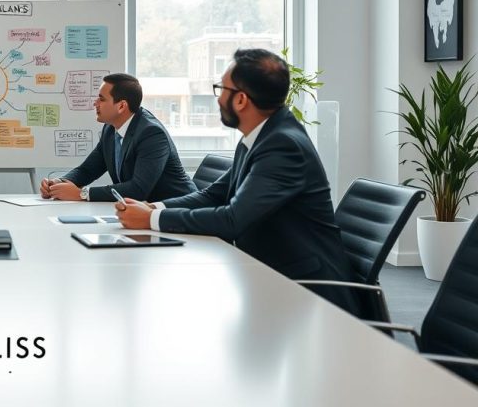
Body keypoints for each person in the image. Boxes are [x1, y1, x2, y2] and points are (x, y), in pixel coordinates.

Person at [114, 49, 360, 315]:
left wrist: (151, 220)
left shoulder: (282, 145)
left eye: (222, 89)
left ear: (241, 99)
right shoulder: (260, 137)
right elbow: (213, 194)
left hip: (307, 291)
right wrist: (154, 208)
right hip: (267, 276)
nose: (219, 98)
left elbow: (233, 220)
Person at [40, 73, 194, 202]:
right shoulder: (110, 128)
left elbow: (138, 189)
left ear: (121, 106)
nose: (95, 103)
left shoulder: (152, 134)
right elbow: (88, 170)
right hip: (143, 210)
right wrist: (59, 184)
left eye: (102, 99)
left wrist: (82, 194)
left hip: (177, 211)